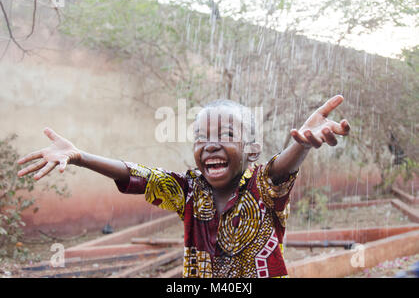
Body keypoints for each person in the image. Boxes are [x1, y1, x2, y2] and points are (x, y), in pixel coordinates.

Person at [17, 95, 350, 278]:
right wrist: (79, 156)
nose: (210, 145)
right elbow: (138, 174)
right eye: (201, 138)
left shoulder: (263, 186)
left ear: (252, 149)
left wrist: (303, 145)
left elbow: (281, 169)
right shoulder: (189, 190)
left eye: (226, 136)